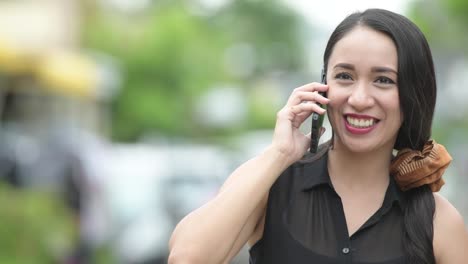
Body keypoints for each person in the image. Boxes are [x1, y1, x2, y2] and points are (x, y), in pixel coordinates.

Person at [168, 8, 468, 264]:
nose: (360, 98)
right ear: (322, 87)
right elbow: (185, 258)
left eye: (383, 80)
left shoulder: (439, 223)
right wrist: (279, 154)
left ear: (413, 96)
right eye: (345, 76)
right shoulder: (271, 185)